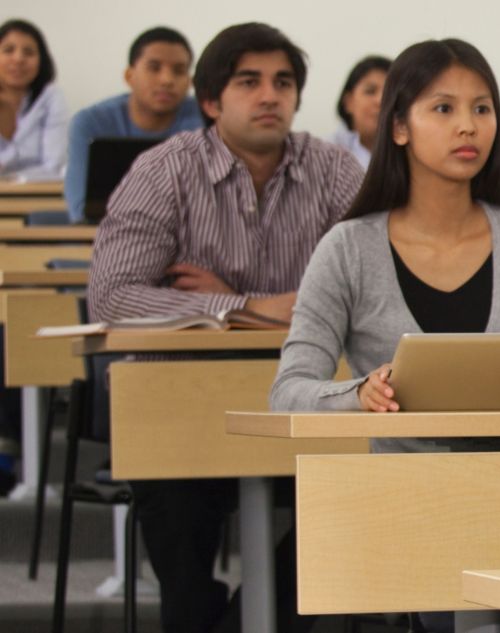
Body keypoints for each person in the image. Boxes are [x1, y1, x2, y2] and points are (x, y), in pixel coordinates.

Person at [86, 22, 362, 633]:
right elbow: (110, 296)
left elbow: (373, 285)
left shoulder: (333, 170)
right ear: (211, 101)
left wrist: (232, 299)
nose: (270, 96)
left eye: (283, 83)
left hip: (305, 395)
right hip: (181, 408)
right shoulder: (164, 171)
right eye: (249, 82)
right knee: (180, 536)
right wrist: (243, 307)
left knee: (359, 499)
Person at [271, 38, 500, 449]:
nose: (468, 125)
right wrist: (357, 395)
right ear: (399, 127)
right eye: (443, 108)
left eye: (482, 108)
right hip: (406, 490)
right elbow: (287, 391)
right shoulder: (347, 249)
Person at [64, 26, 204, 223]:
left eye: (179, 71)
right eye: (154, 68)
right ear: (130, 76)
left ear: (190, 82)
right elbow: (80, 208)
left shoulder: (207, 121)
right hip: (105, 239)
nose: (167, 80)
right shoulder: (89, 123)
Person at [0, 18, 65, 180]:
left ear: (41, 61)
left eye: (29, 52)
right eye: (8, 50)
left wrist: (14, 178)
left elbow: (56, 165)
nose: (18, 59)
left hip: (38, 193)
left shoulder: (51, 97)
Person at [328, 54, 389, 168]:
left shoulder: (413, 156)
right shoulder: (325, 155)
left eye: (389, 93)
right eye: (370, 91)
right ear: (348, 102)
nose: (380, 101)